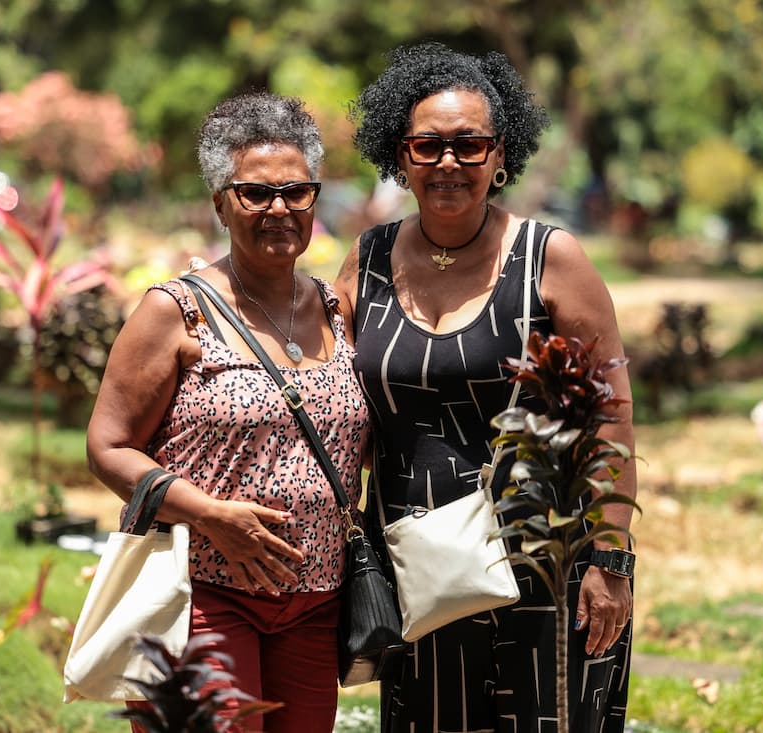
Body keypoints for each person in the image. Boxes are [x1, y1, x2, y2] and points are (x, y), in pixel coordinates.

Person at [334, 43, 638, 732]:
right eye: (429, 145)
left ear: (501, 154)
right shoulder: (369, 260)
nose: (448, 162)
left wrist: (612, 559)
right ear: (400, 155)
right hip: (417, 571)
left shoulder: (550, 258)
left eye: (470, 145)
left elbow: (611, 416)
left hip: (545, 569)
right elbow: (331, 395)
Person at [86, 92, 370, 733]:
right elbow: (107, 447)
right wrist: (212, 516)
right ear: (220, 202)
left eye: (296, 192)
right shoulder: (174, 310)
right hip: (202, 595)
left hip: (316, 602)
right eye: (254, 194)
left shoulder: (335, 309)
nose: (279, 209)